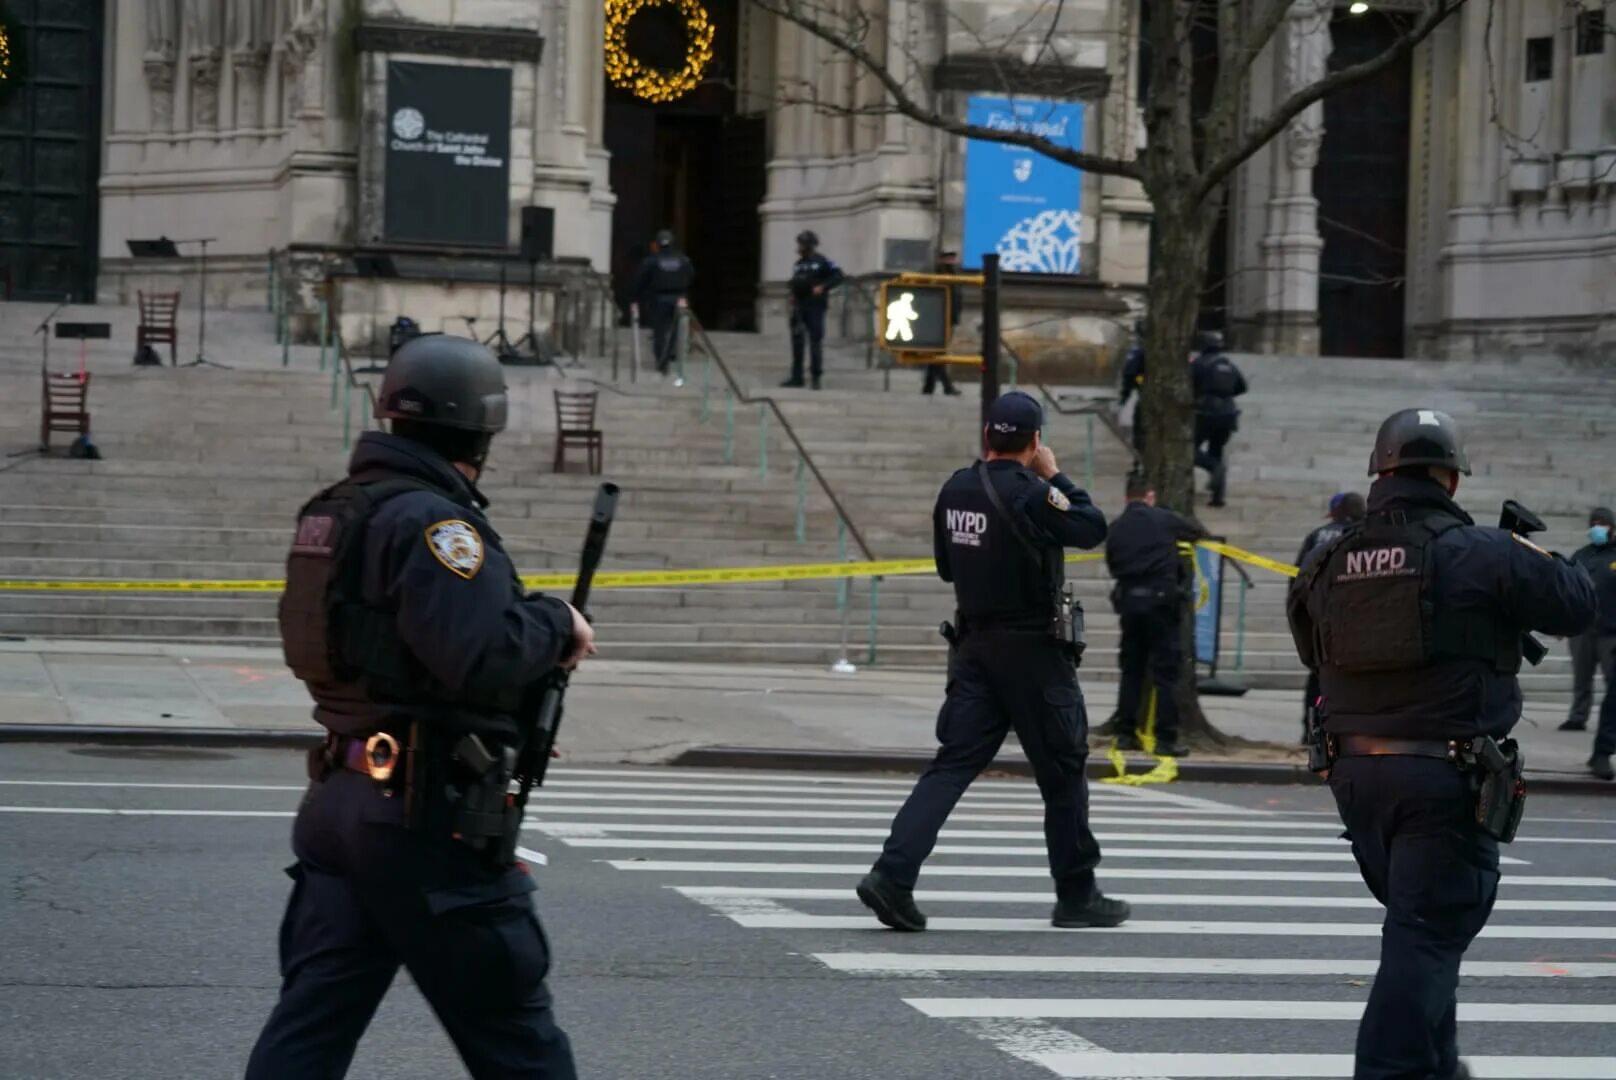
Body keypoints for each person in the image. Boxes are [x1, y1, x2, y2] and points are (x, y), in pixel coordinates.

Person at [247, 335, 596, 1080]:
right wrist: (556, 622)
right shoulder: (438, 526)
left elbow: (391, 655)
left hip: (339, 798)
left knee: (309, 1030)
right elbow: (479, 652)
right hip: (423, 818)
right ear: (481, 433)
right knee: (518, 1039)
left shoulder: (336, 513)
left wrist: (493, 721)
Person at [1286, 407, 1594, 1080]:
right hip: (1441, 779)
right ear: (1450, 480)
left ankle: (1439, 1068)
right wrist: (1533, 557)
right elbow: (1577, 603)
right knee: (1425, 937)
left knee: (1423, 935)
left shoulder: (1328, 555)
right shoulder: (1480, 550)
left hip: (1355, 777)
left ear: (1380, 473)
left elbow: (1309, 641)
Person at [856, 391, 1130, 933]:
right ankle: (1077, 893)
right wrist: (1057, 478)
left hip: (975, 647)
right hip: (1033, 653)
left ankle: (892, 873)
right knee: (1062, 772)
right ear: (1034, 443)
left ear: (987, 438)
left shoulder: (956, 487)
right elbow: (1092, 527)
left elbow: (945, 568)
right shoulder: (1034, 493)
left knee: (952, 766)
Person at [1104, 472, 1206, 758]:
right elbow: (1196, 531)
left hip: (1130, 604)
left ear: (1126, 497)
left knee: (1132, 670)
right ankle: (1166, 738)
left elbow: (1112, 563)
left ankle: (1125, 733)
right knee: (1166, 674)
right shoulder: (1163, 519)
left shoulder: (1117, 526)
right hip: (1161, 603)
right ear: (1149, 496)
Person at [1296, 491, 1367, 740]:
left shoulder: (1317, 536)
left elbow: (1297, 580)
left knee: (1318, 676)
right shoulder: (1368, 536)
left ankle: (1311, 731)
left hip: (1318, 617)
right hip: (1354, 619)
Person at [1562, 506, 1616, 779]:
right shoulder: (1582, 555)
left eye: (1602, 523)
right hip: (1584, 629)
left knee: (1613, 683)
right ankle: (1578, 716)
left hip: (1611, 632)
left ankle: (1603, 747)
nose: (1597, 526)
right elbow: (1566, 586)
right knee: (1582, 676)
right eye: (1593, 522)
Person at [1189, 330, 1246, 507]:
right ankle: (1218, 497)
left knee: (1189, 450)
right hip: (1228, 412)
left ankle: (1213, 467)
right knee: (1217, 450)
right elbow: (1242, 387)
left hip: (1206, 411)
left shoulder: (1199, 363)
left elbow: (1189, 383)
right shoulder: (1228, 364)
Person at [783, 230, 843, 389]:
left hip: (815, 306)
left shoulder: (823, 261)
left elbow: (838, 276)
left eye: (803, 243)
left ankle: (816, 376)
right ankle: (797, 377)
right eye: (800, 243)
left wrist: (823, 287)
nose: (800, 247)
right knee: (797, 341)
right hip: (799, 307)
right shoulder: (798, 264)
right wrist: (793, 295)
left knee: (815, 341)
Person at [629, 229, 694, 377]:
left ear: (657, 244)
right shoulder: (683, 259)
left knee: (659, 332)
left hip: (659, 299)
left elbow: (640, 280)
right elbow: (690, 275)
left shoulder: (651, 260)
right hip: (679, 298)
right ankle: (671, 355)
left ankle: (662, 362)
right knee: (675, 331)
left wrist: (634, 297)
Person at [922, 250, 964, 397]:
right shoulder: (941, 274)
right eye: (948, 258)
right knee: (938, 354)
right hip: (940, 319)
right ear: (942, 259)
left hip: (948, 318)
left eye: (953, 258)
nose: (951, 260)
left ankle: (929, 387)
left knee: (937, 354)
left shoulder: (953, 274)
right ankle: (947, 386)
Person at [1117, 321, 1147, 459]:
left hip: (1147, 398)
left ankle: (1140, 462)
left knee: (1140, 434)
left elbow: (1129, 375)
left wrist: (1124, 396)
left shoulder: (1138, 350)